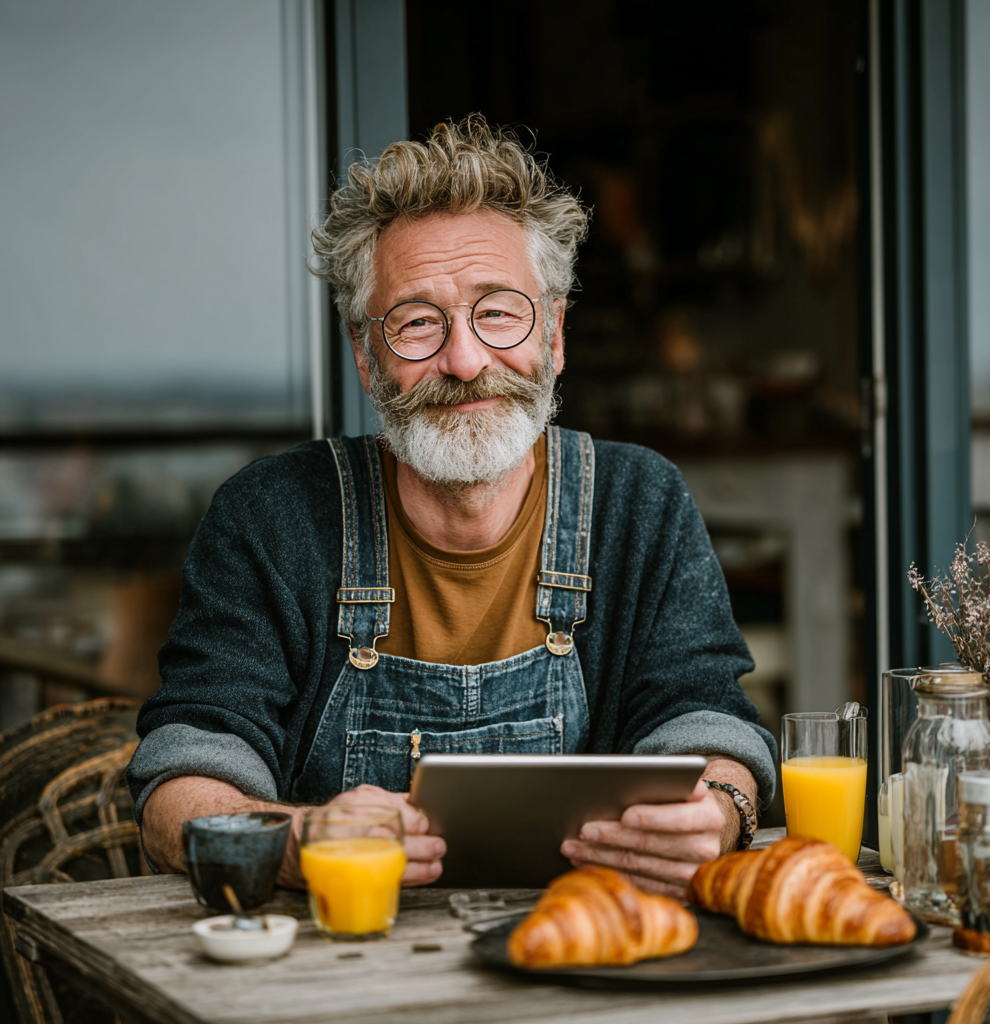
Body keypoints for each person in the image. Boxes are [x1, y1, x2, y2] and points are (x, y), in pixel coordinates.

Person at [126, 116, 776, 898]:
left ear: (556, 335)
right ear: (368, 359)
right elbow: (179, 783)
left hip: (587, 963)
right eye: (417, 324)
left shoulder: (639, 503)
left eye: (498, 312)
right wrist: (294, 840)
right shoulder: (271, 518)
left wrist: (721, 806)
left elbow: (708, 718)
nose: (465, 361)